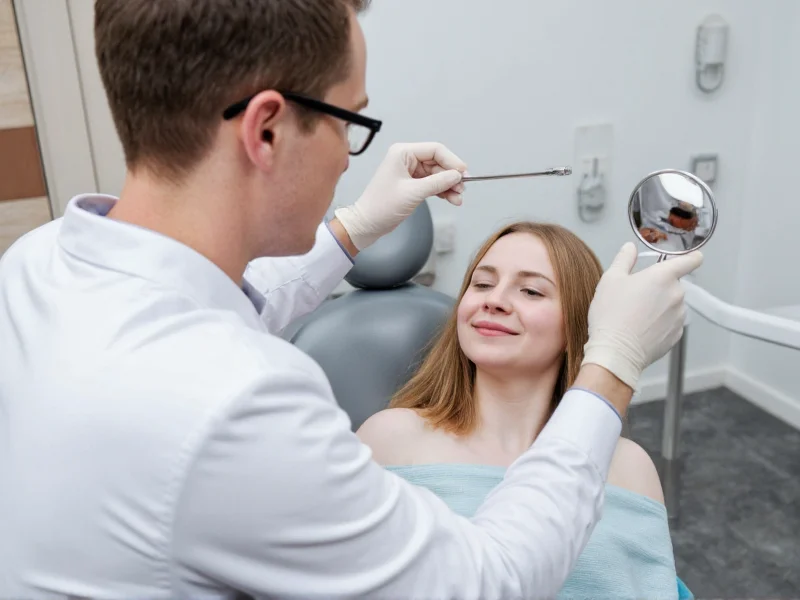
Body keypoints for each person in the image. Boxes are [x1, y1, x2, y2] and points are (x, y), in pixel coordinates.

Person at [0, 1, 702, 598]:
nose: (345, 157)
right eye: (349, 123)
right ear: (266, 129)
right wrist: (611, 362)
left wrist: (351, 228)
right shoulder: (244, 403)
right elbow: (482, 584)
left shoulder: (40, 262)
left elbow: (203, 309)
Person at [357, 222, 695, 599]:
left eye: (531, 291)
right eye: (482, 284)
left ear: (582, 325)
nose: (494, 300)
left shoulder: (629, 465)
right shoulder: (389, 439)